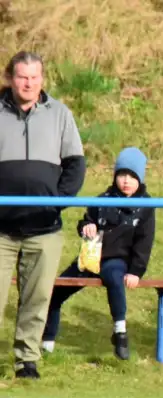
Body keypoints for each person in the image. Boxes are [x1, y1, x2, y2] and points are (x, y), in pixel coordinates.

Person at [0, 51, 86, 379]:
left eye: (35, 77)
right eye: (23, 77)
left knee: (36, 298)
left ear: (42, 80)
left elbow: (76, 164)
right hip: (2, 228)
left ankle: (27, 360)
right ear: (11, 78)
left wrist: (58, 201)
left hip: (44, 227)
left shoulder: (59, 114)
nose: (29, 83)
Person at [42, 147, 155, 360]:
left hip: (116, 260)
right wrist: (86, 226)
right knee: (56, 291)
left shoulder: (146, 206)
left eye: (132, 176)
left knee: (114, 277)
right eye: (122, 174)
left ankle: (120, 331)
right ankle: (46, 343)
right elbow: (86, 220)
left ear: (140, 178)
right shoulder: (102, 199)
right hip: (89, 259)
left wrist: (136, 271)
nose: (126, 181)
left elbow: (144, 242)